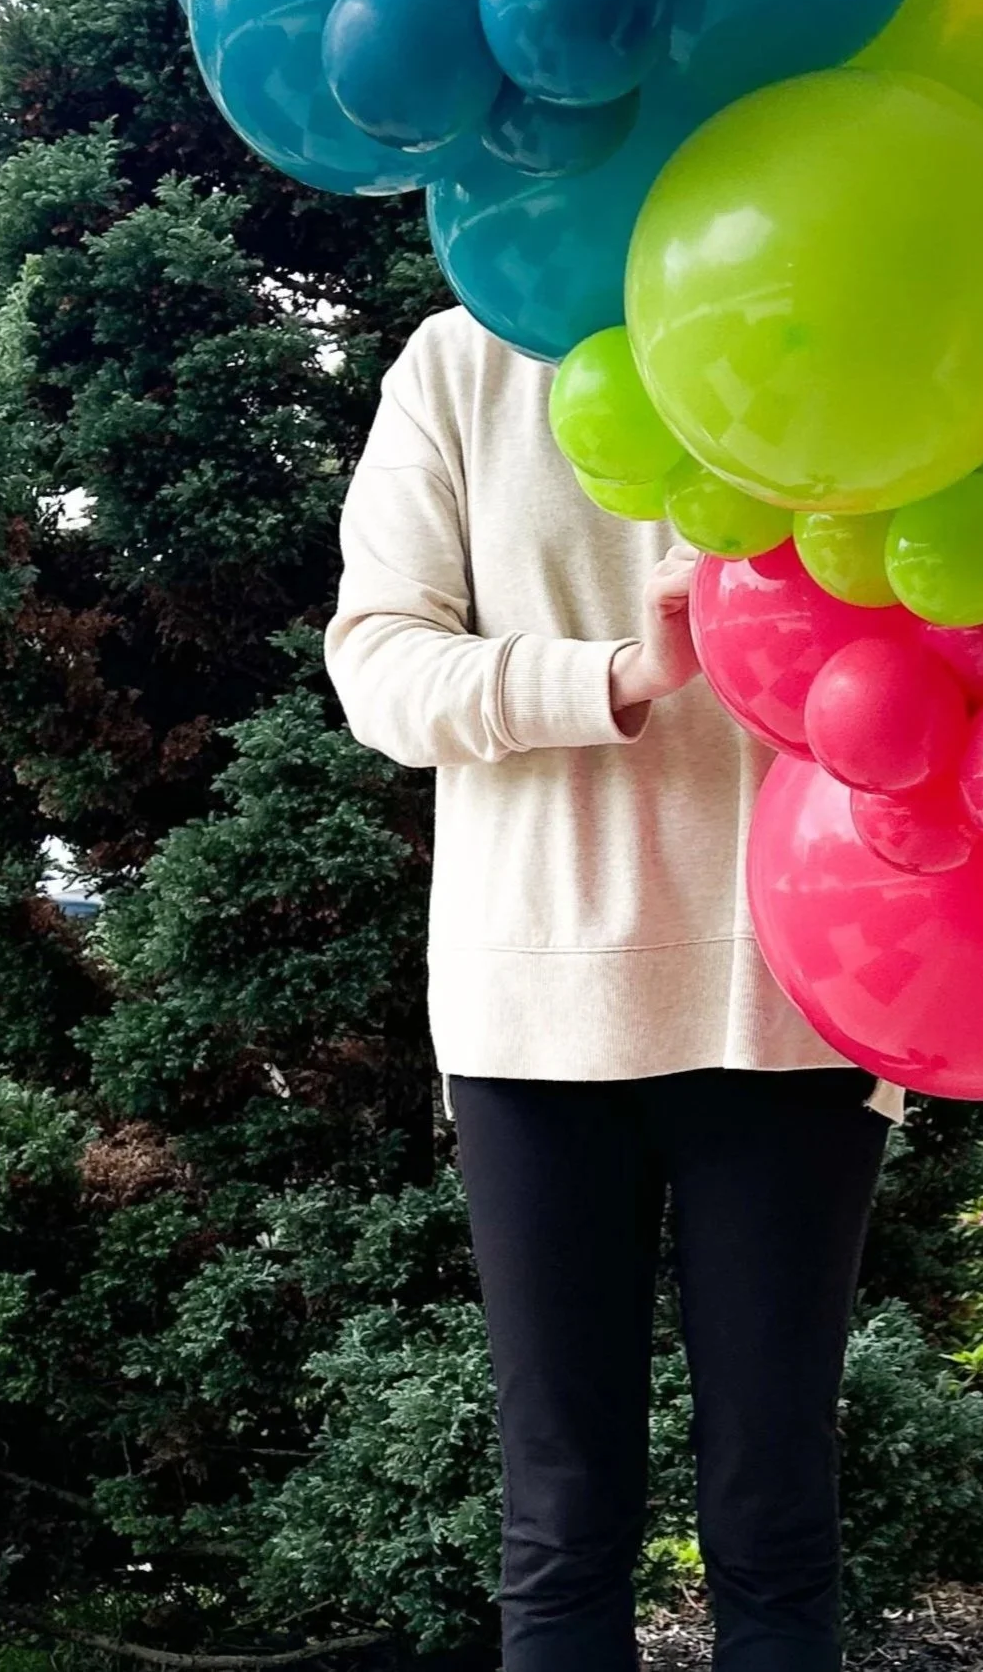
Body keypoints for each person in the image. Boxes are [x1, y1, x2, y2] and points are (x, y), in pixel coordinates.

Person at [326, 303, 900, 1672]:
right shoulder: (461, 360)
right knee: (564, 1516)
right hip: (532, 1014)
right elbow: (379, 666)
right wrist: (621, 674)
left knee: (774, 1515)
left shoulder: (834, 312)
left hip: (794, 1000)